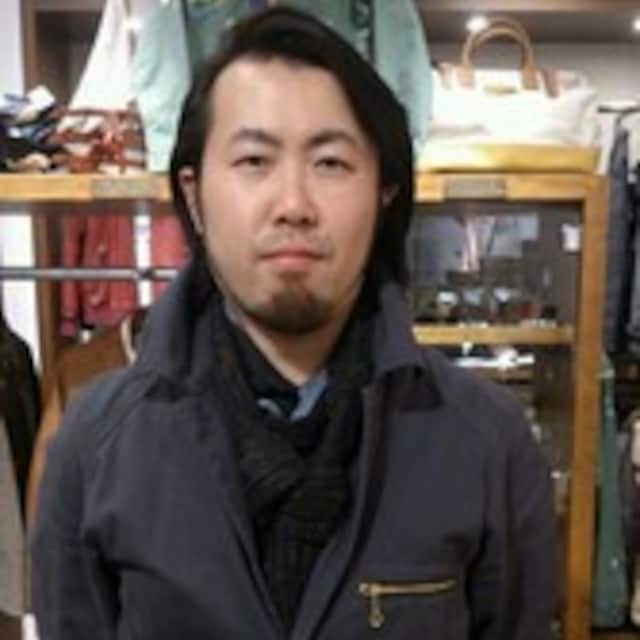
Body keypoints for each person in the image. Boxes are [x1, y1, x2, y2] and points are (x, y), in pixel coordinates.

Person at [32, 7, 555, 639]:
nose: (293, 205)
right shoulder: (96, 443)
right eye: (254, 160)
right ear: (194, 194)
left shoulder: (486, 441)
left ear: (384, 192)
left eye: (330, 163)